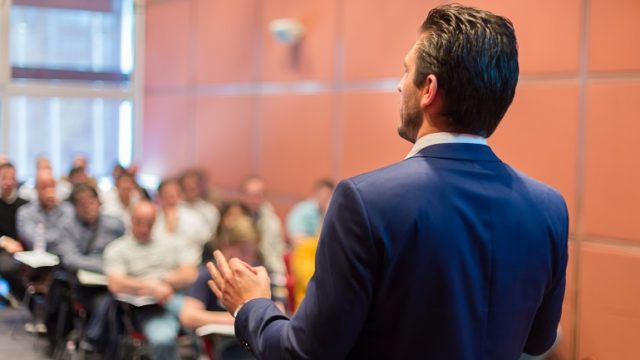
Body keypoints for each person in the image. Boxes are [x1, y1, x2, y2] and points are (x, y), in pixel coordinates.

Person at [206, 4, 569, 359]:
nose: (399, 86)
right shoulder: (549, 207)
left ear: (428, 89)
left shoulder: (365, 202)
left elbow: (305, 352)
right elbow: (538, 341)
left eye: (405, 71)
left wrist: (251, 306)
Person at [104, 201, 198, 360]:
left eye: (149, 223)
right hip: (146, 307)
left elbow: (190, 273)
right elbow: (115, 283)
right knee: (163, 340)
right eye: (139, 222)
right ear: (131, 219)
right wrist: (150, 287)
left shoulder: (169, 242)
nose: (144, 229)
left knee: (206, 323)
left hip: (175, 298)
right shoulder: (117, 249)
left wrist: (162, 282)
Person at [180, 215, 259, 360]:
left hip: (256, 343)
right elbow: (188, 316)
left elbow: (278, 309)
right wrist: (237, 319)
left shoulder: (257, 273)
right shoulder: (209, 274)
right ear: (227, 246)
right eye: (243, 251)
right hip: (226, 346)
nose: (249, 258)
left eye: (252, 252)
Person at [0, 163, 29, 302]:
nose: (8, 182)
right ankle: (22, 299)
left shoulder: (25, 205)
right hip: (3, 251)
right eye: (4, 178)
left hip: (24, 248)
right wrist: (4, 241)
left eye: (11, 178)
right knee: (6, 265)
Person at [285, 178, 334, 246]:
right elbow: (296, 239)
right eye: (325, 195)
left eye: (329, 196)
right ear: (316, 193)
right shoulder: (302, 210)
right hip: (303, 252)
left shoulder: (326, 212)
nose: (327, 199)